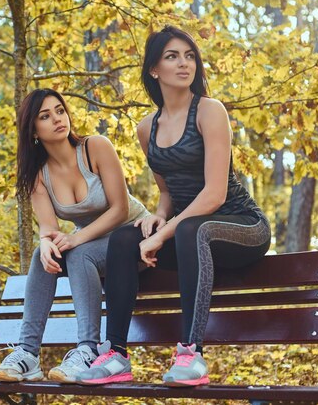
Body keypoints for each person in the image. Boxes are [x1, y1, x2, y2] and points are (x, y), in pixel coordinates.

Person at [77, 26, 271, 386]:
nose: (184, 63)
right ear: (154, 69)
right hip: (187, 232)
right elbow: (167, 192)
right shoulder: (147, 128)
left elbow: (213, 195)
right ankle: (116, 354)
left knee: (189, 229)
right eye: (172, 56)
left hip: (242, 226)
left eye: (189, 55)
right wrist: (158, 216)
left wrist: (163, 233)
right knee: (123, 239)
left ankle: (191, 354)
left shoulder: (210, 111)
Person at [0, 89, 149, 383]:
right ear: (33, 130)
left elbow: (120, 208)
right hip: (92, 245)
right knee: (44, 253)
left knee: (78, 251)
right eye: (45, 116)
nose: (57, 119)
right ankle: (27, 352)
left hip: (135, 237)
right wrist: (47, 242)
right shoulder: (37, 173)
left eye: (60, 111)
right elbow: (48, 229)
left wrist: (75, 239)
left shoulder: (95, 147)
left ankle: (87, 349)